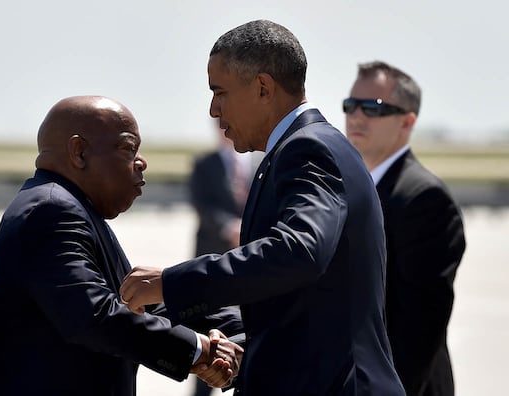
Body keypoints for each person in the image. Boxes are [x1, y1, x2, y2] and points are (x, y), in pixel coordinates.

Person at [120, 20, 405, 395]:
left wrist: (170, 283)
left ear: (263, 88)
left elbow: (298, 252)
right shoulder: (295, 151)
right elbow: (296, 300)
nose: (212, 110)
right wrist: (238, 345)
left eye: (219, 92)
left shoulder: (308, 151)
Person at [0, 95, 243, 396]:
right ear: (79, 152)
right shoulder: (50, 210)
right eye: (127, 147)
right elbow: (96, 315)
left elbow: (137, 300)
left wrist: (238, 330)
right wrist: (201, 350)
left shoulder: (74, 209)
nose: (141, 161)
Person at [343, 61, 466, 396]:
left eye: (373, 107)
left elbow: (419, 330)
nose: (356, 116)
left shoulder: (425, 199)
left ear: (407, 122)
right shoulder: (347, 189)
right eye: (350, 105)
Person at [188, 124, 257, 396]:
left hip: (250, 261)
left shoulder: (259, 161)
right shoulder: (204, 164)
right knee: (207, 333)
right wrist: (228, 227)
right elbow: (200, 204)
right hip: (212, 257)